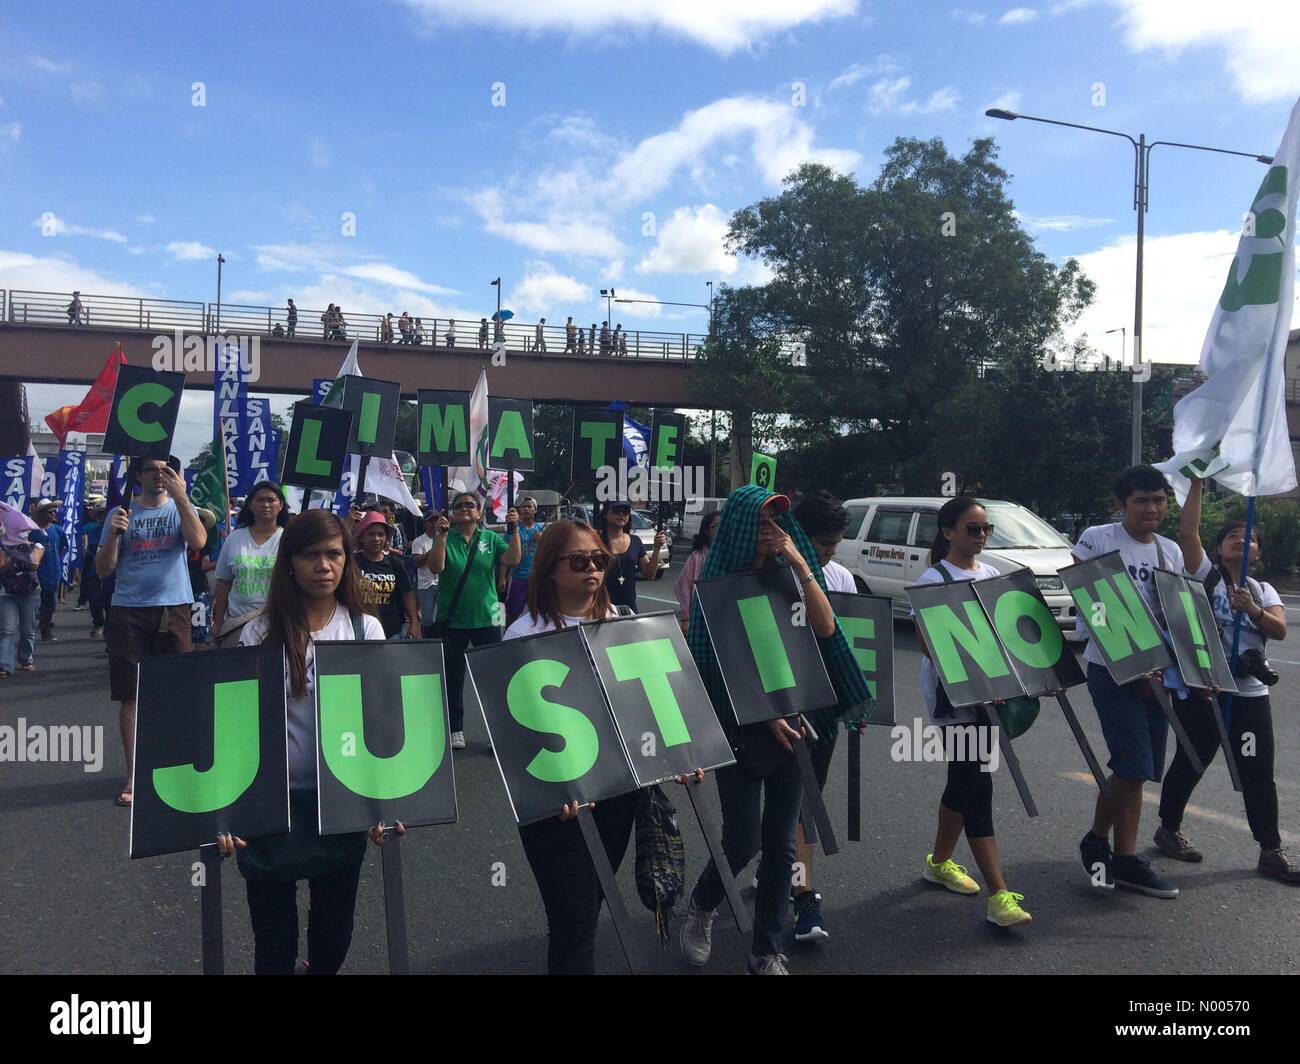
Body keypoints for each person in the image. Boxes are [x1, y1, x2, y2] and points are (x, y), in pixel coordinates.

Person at [679, 485, 869, 974]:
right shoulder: (717, 581)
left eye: (778, 522)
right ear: (742, 526)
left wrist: (801, 566)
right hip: (742, 727)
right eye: (763, 522)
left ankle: (766, 950)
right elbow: (709, 668)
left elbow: (825, 630)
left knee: (782, 842)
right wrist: (763, 711)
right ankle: (702, 904)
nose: (772, 532)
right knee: (742, 839)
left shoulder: (792, 573)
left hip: (799, 721)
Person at [505, 519, 700, 974]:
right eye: (578, 560)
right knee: (572, 924)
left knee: (591, 905)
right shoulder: (523, 634)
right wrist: (555, 789)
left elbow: (646, 711)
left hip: (616, 795)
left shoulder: (623, 624)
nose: (591, 568)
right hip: (556, 806)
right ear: (551, 568)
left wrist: (683, 754)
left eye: (598, 559)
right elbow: (518, 735)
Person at [218, 509, 393, 975]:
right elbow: (237, 725)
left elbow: (379, 721)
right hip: (269, 804)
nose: (323, 566)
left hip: (341, 803)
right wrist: (226, 810)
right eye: (310, 554)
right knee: (273, 942)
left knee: (334, 935)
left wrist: (386, 801)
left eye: (334, 554)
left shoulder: (364, 629)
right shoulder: (257, 631)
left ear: (346, 560)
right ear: (289, 563)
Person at [1156, 476, 1299, 882]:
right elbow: (1187, 532)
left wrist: (1252, 609)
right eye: (1233, 536)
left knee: (1257, 771)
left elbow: (1279, 631)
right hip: (1207, 690)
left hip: (1251, 696)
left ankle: (1270, 850)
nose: (1242, 541)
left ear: (1258, 552)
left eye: (1250, 538)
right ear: (1218, 548)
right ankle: (1168, 828)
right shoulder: (1207, 575)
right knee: (1192, 761)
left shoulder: (1263, 589)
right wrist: (1198, 484)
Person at [913, 496, 1032, 928]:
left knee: (963, 783)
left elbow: (1012, 637)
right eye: (972, 528)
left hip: (994, 701)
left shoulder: (993, 575)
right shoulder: (933, 579)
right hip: (957, 706)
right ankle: (1000, 895)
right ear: (947, 533)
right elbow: (931, 645)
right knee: (978, 789)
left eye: (985, 529)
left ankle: (939, 863)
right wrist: (981, 681)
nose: (981, 536)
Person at [1074, 465, 1185, 899]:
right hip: (1111, 668)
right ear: (1121, 504)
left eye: (1159, 500)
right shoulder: (1099, 538)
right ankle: (1097, 840)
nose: (1152, 508)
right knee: (1132, 764)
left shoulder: (1168, 551)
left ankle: (1125, 857)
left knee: (1139, 773)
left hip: (1158, 672)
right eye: (1141, 500)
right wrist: (1130, 656)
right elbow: (1089, 595)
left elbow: (1176, 614)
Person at [96, 455, 207, 807]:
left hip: (172, 608)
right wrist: (113, 536)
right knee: (131, 696)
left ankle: (178, 767)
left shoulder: (179, 508)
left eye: (166, 470)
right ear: (138, 475)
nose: (159, 476)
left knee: (178, 691)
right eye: (151, 470)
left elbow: (199, 540)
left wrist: (183, 497)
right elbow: (102, 570)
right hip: (128, 610)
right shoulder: (121, 513)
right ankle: (134, 773)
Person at [785, 489, 860, 942]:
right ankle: (803, 896)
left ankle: (789, 872)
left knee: (806, 801)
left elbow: (849, 644)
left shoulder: (842, 578)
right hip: (776, 708)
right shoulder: (771, 576)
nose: (830, 552)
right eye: (822, 543)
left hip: (824, 707)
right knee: (791, 802)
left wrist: (860, 698)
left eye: (835, 544)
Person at [427, 492, 520, 749]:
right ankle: (455, 729)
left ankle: (496, 732)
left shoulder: (490, 538)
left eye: (470, 505)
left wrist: (514, 530)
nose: (465, 509)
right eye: (459, 506)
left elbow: (512, 560)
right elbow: (436, 568)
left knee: (491, 678)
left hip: (487, 617)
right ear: (453, 513)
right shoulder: (445, 536)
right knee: (453, 676)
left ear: (479, 512)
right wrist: (442, 536)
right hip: (452, 618)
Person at [211, 481, 289, 647]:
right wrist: (218, 623)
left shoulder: (288, 539)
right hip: (238, 624)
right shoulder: (234, 538)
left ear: (281, 505)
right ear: (251, 505)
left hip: (277, 623)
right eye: (260, 500)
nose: (266, 505)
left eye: (271, 500)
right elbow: (223, 583)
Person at [353, 511, 418, 640]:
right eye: (371, 534)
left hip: (391, 630)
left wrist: (414, 622)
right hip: (359, 630)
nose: (376, 538)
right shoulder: (352, 562)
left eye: (380, 534)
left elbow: (407, 593)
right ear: (362, 537)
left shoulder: (395, 564)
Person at [596, 500, 663, 613]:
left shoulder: (635, 541)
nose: (621, 514)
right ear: (605, 514)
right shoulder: (596, 541)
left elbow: (649, 575)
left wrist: (657, 548)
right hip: (602, 609)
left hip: (630, 610)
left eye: (626, 511)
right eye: (617, 510)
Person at [0, 516, 46, 678]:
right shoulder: (3, 548)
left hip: (30, 593)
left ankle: (26, 659)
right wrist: (12, 555)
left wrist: (21, 551)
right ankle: (5, 665)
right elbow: (2, 568)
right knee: (7, 629)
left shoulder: (36, 546)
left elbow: (34, 564)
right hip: (7, 593)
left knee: (28, 629)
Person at [673, 509, 719, 635]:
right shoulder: (697, 557)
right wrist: (686, 618)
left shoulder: (732, 555)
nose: (721, 530)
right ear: (707, 530)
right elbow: (684, 586)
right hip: (700, 617)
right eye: (716, 526)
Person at [503, 495, 544, 626]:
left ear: (535, 510)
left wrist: (542, 541)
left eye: (529, 506)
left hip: (537, 578)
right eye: (523, 507)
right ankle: (508, 638)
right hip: (518, 577)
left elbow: (550, 553)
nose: (526, 509)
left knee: (540, 612)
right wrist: (502, 578)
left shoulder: (541, 530)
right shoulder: (513, 529)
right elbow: (504, 555)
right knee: (513, 613)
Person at [30, 499, 66, 642]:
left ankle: (46, 629)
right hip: (34, 574)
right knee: (33, 605)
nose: (53, 514)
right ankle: (30, 632)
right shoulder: (31, 532)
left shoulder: (58, 530)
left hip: (52, 573)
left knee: (50, 604)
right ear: (41, 514)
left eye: (54, 511)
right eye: (50, 511)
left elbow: (62, 547)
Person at [409, 512, 442, 638]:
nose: (434, 524)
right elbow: (417, 562)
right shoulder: (418, 541)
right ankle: (427, 641)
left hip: (442, 583)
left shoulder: (445, 538)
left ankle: (440, 641)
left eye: (436, 521)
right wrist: (433, 549)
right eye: (430, 521)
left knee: (442, 617)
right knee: (427, 619)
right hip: (426, 585)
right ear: (425, 523)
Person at [79, 501, 107, 638]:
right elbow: (93, 547)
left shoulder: (121, 529)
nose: (105, 516)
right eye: (102, 514)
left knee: (112, 603)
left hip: (115, 572)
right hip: (94, 569)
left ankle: (110, 630)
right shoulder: (94, 529)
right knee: (94, 600)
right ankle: (98, 622)